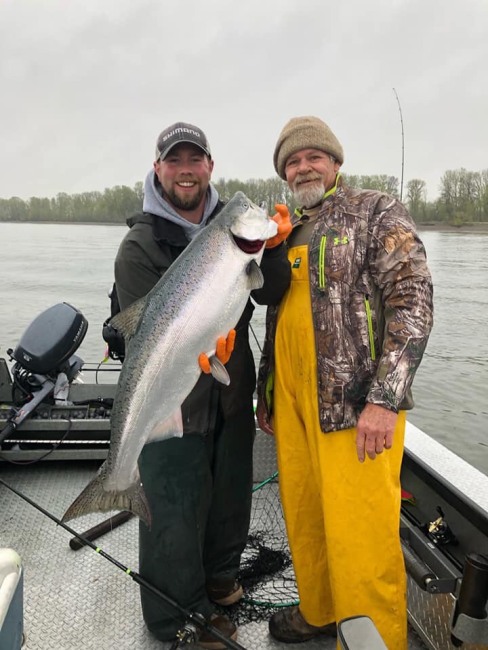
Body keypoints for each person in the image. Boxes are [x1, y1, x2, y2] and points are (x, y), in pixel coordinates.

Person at [256, 116, 434, 649]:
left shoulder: (375, 209)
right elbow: (277, 318)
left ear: (335, 162)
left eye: (313, 156)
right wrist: (267, 392)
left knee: (362, 536)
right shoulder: (283, 229)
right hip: (293, 407)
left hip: (356, 408)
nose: (303, 166)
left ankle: (372, 639)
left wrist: (385, 399)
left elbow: (413, 302)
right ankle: (320, 609)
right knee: (306, 517)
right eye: (292, 161)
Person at [112, 121, 291, 648]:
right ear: (158, 169)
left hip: (231, 391)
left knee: (229, 499)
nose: (186, 170)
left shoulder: (231, 231)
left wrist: (272, 248)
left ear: (210, 167)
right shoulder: (139, 245)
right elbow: (145, 333)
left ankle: (220, 578)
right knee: (173, 508)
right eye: (175, 161)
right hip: (174, 396)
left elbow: (269, 292)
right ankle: (175, 618)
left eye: (195, 160)